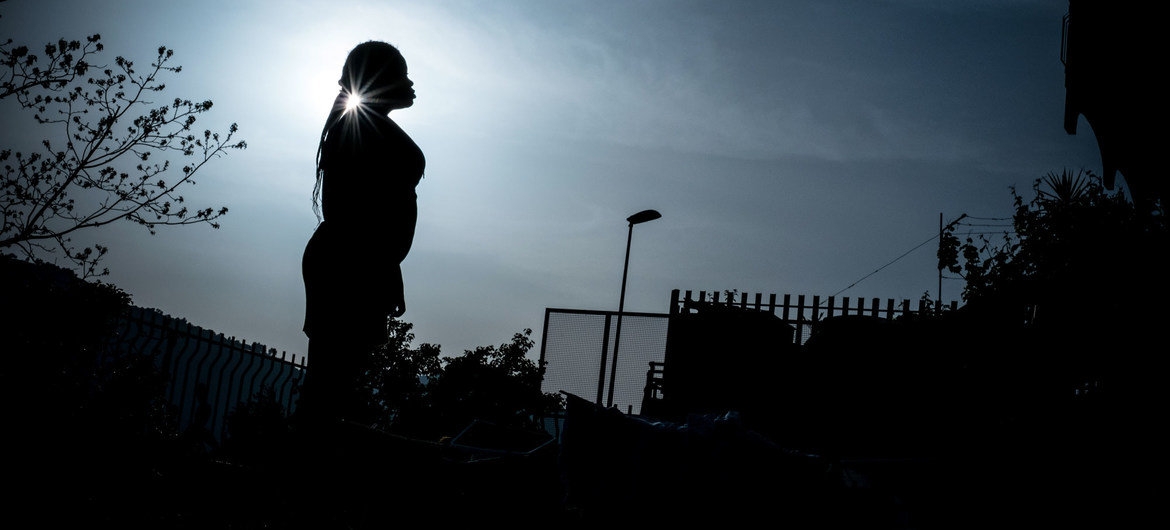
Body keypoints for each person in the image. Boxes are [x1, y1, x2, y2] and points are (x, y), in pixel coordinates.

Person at [298, 41, 424, 427]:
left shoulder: (367, 125)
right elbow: (349, 209)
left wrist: (390, 269)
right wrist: (378, 265)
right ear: (381, 80)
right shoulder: (358, 128)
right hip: (348, 263)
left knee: (341, 379)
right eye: (401, 73)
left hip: (360, 261)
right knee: (331, 381)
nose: (411, 82)